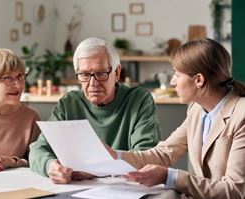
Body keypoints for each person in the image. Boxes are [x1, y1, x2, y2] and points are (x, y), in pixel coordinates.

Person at [105, 38, 245, 199]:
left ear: (199, 80)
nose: (172, 82)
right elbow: (164, 153)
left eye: (177, 74)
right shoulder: (196, 109)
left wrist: (171, 177)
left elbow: (235, 191)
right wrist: (115, 156)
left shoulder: (241, 115)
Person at [29, 37, 161, 184]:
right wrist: (50, 166)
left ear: (117, 73)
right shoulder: (69, 103)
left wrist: (95, 170)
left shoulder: (138, 99)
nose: (93, 83)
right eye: (85, 75)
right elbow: (37, 149)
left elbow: (147, 157)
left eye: (101, 74)